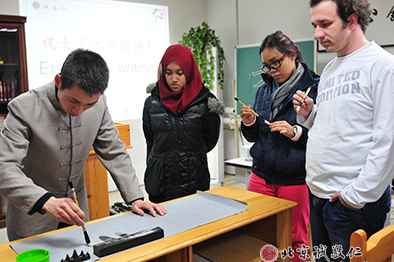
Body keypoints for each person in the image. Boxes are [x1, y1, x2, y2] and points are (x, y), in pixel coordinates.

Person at [0, 49, 166, 241]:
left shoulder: (100, 103)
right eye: (73, 101)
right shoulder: (24, 108)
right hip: (34, 213)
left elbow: (114, 151)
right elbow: (4, 168)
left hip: (76, 212)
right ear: (58, 81)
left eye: (89, 105)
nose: (78, 110)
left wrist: (136, 198)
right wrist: (45, 200)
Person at [293, 1, 394, 261]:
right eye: (315, 25)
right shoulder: (329, 69)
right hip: (317, 195)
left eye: (325, 24)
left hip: (351, 204)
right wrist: (311, 113)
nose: (317, 33)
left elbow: (388, 141)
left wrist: (356, 196)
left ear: (351, 21)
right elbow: (336, 124)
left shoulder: (382, 65)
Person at [240, 31, 319, 262]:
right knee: (256, 234)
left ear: (292, 54)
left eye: (276, 62)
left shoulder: (313, 87)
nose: (272, 70)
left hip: (294, 178)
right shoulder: (264, 90)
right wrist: (249, 123)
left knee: (295, 241)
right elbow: (255, 137)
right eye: (267, 66)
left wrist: (295, 132)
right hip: (261, 175)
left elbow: (324, 136)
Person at [143, 44, 224, 203]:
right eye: (169, 73)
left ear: (189, 71)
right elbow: (150, 139)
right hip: (160, 181)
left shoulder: (205, 102)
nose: (174, 79)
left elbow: (210, 140)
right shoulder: (152, 102)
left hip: (194, 180)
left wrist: (189, 156)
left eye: (180, 73)